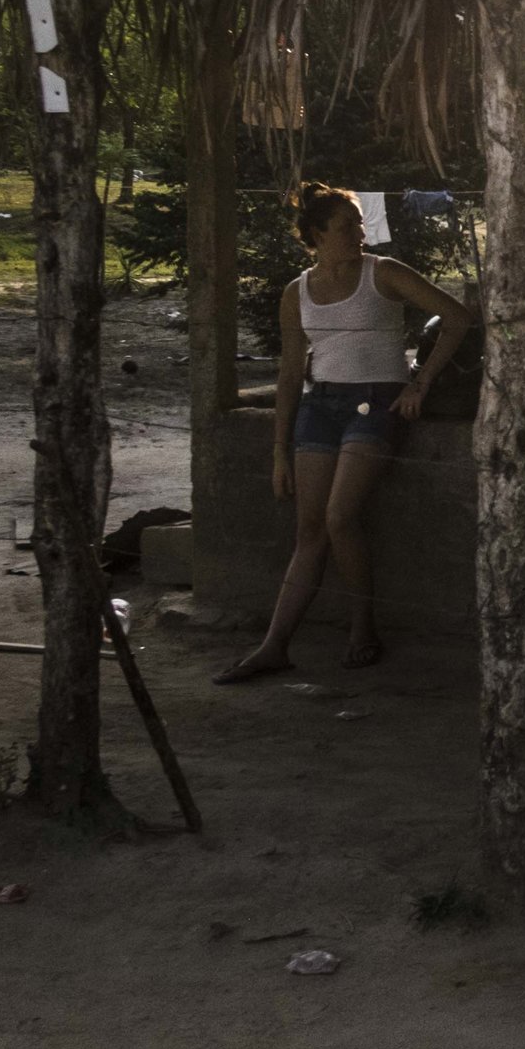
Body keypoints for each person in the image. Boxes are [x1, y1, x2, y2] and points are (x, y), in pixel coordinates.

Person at [215, 182, 472, 682]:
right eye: (345, 226)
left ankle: (363, 628)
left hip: (376, 401)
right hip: (321, 404)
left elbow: (458, 317)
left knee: (339, 516)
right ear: (316, 235)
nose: (358, 232)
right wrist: (279, 452)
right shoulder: (297, 292)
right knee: (309, 530)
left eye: (358, 223)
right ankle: (273, 646)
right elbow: (290, 375)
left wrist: (420, 381)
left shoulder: (385, 272)